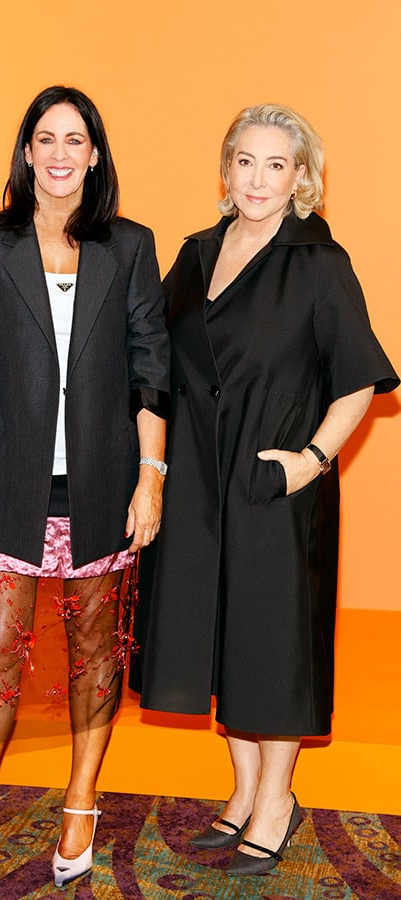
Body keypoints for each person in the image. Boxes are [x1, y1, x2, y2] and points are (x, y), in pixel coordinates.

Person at [135, 104, 399, 877]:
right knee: (224, 638)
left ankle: (278, 799)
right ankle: (245, 791)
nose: (256, 178)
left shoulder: (319, 261)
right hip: (197, 484)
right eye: (244, 161)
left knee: (274, 644)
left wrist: (311, 460)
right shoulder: (194, 251)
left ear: (301, 178)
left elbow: (359, 381)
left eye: (275, 164)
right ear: (226, 170)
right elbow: (153, 358)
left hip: (275, 485)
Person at [0, 85, 170, 897]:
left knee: (96, 658)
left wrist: (151, 480)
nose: (62, 154)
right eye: (47, 138)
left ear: (95, 154)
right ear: (27, 151)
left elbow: (152, 370)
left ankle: (81, 800)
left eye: (76, 139)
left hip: (105, 486)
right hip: (8, 483)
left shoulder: (131, 246)